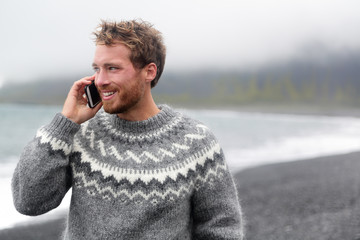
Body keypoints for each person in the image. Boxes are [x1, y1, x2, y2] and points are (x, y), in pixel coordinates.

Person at [12, 19, 244, 239]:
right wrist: (64, 124)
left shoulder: (196, 141)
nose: (100, 81)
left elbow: (222, 229)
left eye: (112, 68)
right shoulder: (81, 134)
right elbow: (28, 202)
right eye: (97, 68)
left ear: (149, 72)